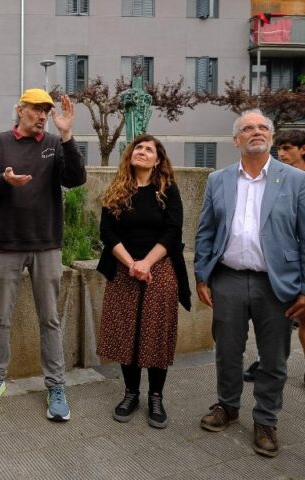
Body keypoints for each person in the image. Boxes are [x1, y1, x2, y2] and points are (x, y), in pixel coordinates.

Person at [194, 109, 305, 458]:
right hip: (227, 278)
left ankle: (266, 419)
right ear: (236, 140)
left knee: (274, 357)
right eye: (247, 128)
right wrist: (202, 275)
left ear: (270, 136)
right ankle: (227, 406)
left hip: (276, 283)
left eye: (261, 127)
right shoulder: (219, 180)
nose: (255, 132)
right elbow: (206, 230)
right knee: (227, 350)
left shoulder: (295, 180)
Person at [0, 88, 86, 421]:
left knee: (50, 319)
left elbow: (75, 179)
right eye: (37, 109)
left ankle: (56, 386)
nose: (42, 115)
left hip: (46, 245)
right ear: (20, 110)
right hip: (6, 245)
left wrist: (67, 136)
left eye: (46, 111)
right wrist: (4, 181)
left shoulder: (54, 144)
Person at [96, 134, 190, 429]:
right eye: (139, 147)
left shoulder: (168, 190)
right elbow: (107, 232)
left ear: (158, 160)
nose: (143, 151)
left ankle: (156, 396)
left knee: (156, 334)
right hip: (123, 268)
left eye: (150, 149)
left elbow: (173, 231)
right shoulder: (117, 190)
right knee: (126, 333)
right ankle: (131, 393)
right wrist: (132, 264)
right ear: (131, 154)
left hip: (159, 269)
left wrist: (146, 263)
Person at [243, 129, 305, 384]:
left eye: (288, 148)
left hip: (298, 258)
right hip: (279, 262)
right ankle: (265, 360)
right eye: (280, 148)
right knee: (279, 317)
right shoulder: (275, 178)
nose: (282, 153)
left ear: (303, 149)